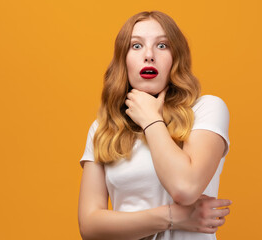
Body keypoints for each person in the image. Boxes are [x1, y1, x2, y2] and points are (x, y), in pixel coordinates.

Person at [78, 11, 232, 240]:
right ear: (124, 59)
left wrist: (151, 119)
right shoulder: (104, 128)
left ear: (176, 57)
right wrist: (172, 217)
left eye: (162, 45)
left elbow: (185, 188)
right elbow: (90, 227)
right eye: (136, 46)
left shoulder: (206, 109)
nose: (149, 55)